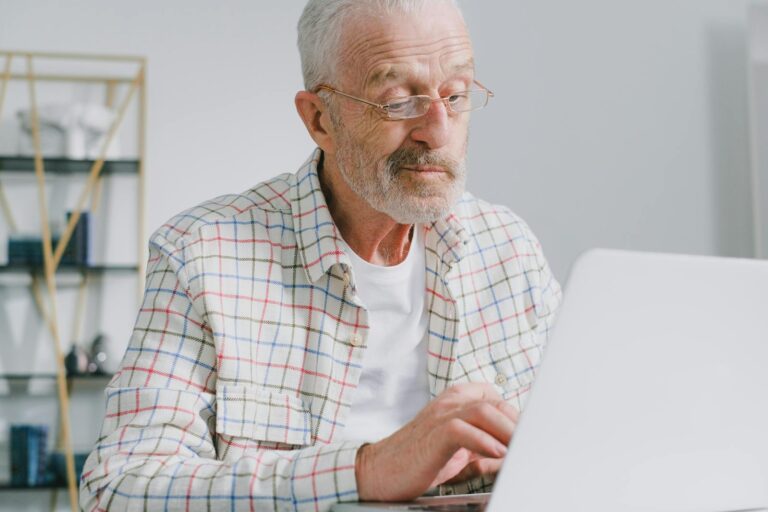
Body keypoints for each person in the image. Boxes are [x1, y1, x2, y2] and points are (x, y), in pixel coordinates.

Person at [79, 0, 561, 510]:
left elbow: (581, 440)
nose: (437, 132)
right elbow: (119, 489)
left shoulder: (509, 248)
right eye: (398, 102)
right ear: (319, 120)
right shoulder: (202, 255)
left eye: (457, 95)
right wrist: (367, 469)